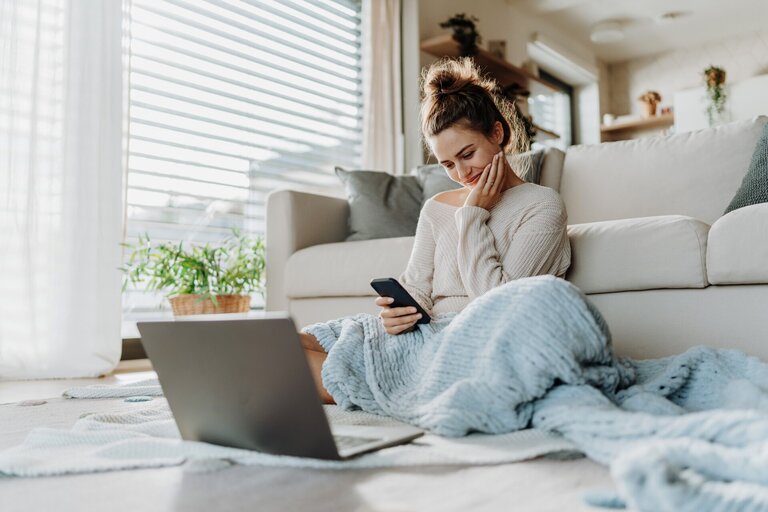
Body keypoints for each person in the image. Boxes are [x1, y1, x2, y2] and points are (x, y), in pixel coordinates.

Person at [299, 57, 571, 404]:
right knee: (288, 342)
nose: (462, 173)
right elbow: (417, 288)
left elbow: (502, 308)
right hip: (422, 333)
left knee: (297, 366)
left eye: (467, 153)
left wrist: (473, 215)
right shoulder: (436, 207)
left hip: (468, 341)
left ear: (497, 133)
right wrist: (397, 314)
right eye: (447, 164)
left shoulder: (542, 205)